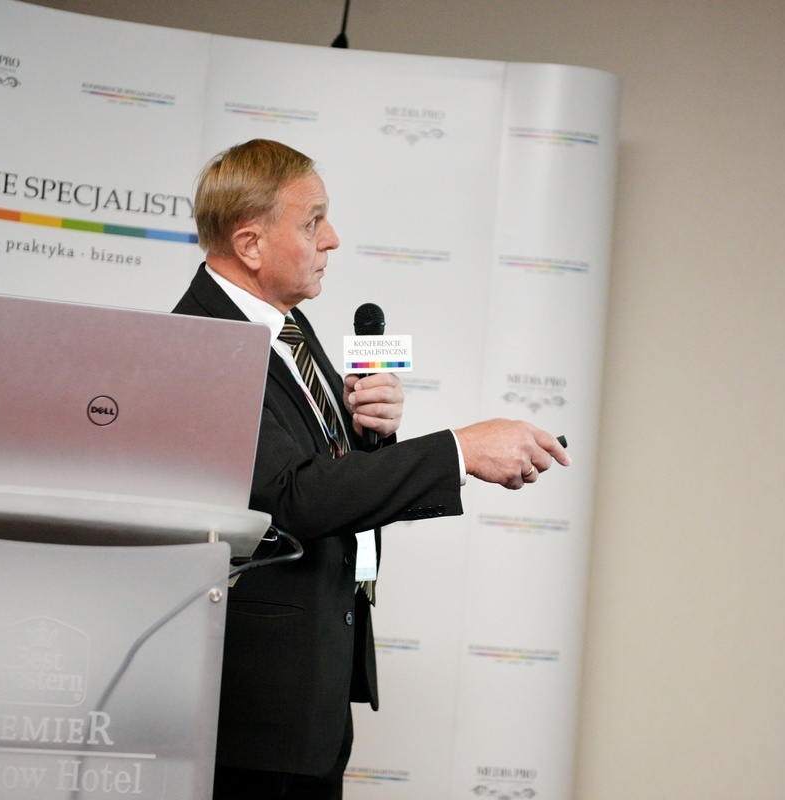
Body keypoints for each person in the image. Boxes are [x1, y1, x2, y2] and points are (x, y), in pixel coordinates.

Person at [172, 139, 569, 799]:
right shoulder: (204, 341)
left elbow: (322, 476)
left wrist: (366, 435)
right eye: (312, 222)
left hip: (312, 693)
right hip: (256, 711)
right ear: (250, 245)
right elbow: (291, 499)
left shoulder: (289, 328)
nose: (332, 238)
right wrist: (460, 450)